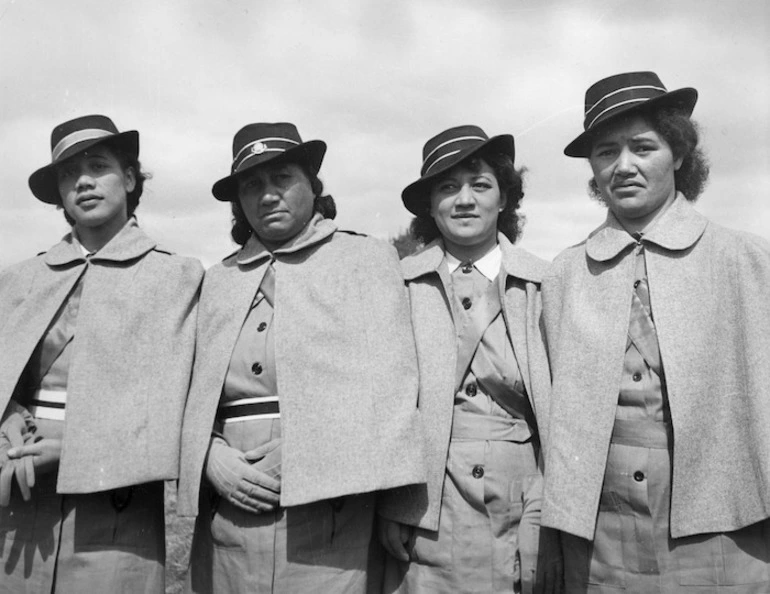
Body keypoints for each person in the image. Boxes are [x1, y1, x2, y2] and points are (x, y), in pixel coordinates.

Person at [542, 71, 770, 592]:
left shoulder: (748, 260)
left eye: (643, 147)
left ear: (680, 155)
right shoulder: (565, 274)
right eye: (606, 152)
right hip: (599, 535)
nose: (623, 166)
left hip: (726, 526)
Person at [178, 122, 425, 593]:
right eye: (252, 185)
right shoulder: (218, 280)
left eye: (282, 179)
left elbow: (392, 389)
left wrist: (312, 449)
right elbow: (188, 393)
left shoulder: (365, 259)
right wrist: (210, 456)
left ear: (312, 184)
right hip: (232, 513)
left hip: (332, 512)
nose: (268, 195)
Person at [0, 114, 203, 592]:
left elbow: (178, 401)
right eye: (69, 174)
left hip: (116, 508)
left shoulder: (178, 277)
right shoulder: (20, 278)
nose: (84, 181)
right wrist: (5, 412)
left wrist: (76, 448)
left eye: (98, 166)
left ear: (130, 178)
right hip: (17, 493)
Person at [379, 125, 561, 593]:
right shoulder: (396, 286)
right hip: (424, 510)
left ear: (504, 199)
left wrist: (547, 508)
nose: (464, 200)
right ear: (429, 205)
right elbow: (383, 409)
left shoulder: (547, 284)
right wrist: (394, 505)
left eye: (480, 185)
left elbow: (565, 415)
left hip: (521, 505)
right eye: (447, 187)